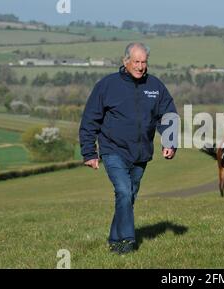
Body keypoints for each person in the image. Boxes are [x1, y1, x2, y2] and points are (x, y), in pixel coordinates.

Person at [79, 42, 178, 255]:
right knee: (123, 191)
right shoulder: (107, 85)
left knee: (129, 196)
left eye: (144, 62)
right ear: (126, 61)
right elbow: (90, 119)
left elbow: (168, 114)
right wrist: (89, 152)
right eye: (136, 62)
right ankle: (127, 241)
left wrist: (170, 141)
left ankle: (114, 239)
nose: (141, 66)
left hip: (141, 153)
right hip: (113, 149)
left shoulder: (155, 86)